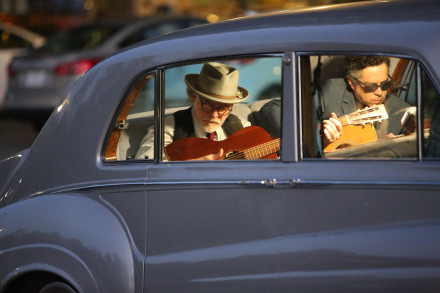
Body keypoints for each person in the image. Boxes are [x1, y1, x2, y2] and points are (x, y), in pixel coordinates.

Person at [136, 62, 251, 160]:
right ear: (193, 96)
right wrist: (191, 166)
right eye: (208, 105)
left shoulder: (242, 127)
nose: (214, 115)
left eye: (223, 108)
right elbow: (143, 169)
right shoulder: (166, 130)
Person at [321, 56, 410, 147]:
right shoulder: (330, 92)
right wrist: (324, 142)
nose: (379, 93)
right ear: (351, 82)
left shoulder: (401, 113)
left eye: (385, 84)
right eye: (370, 87)